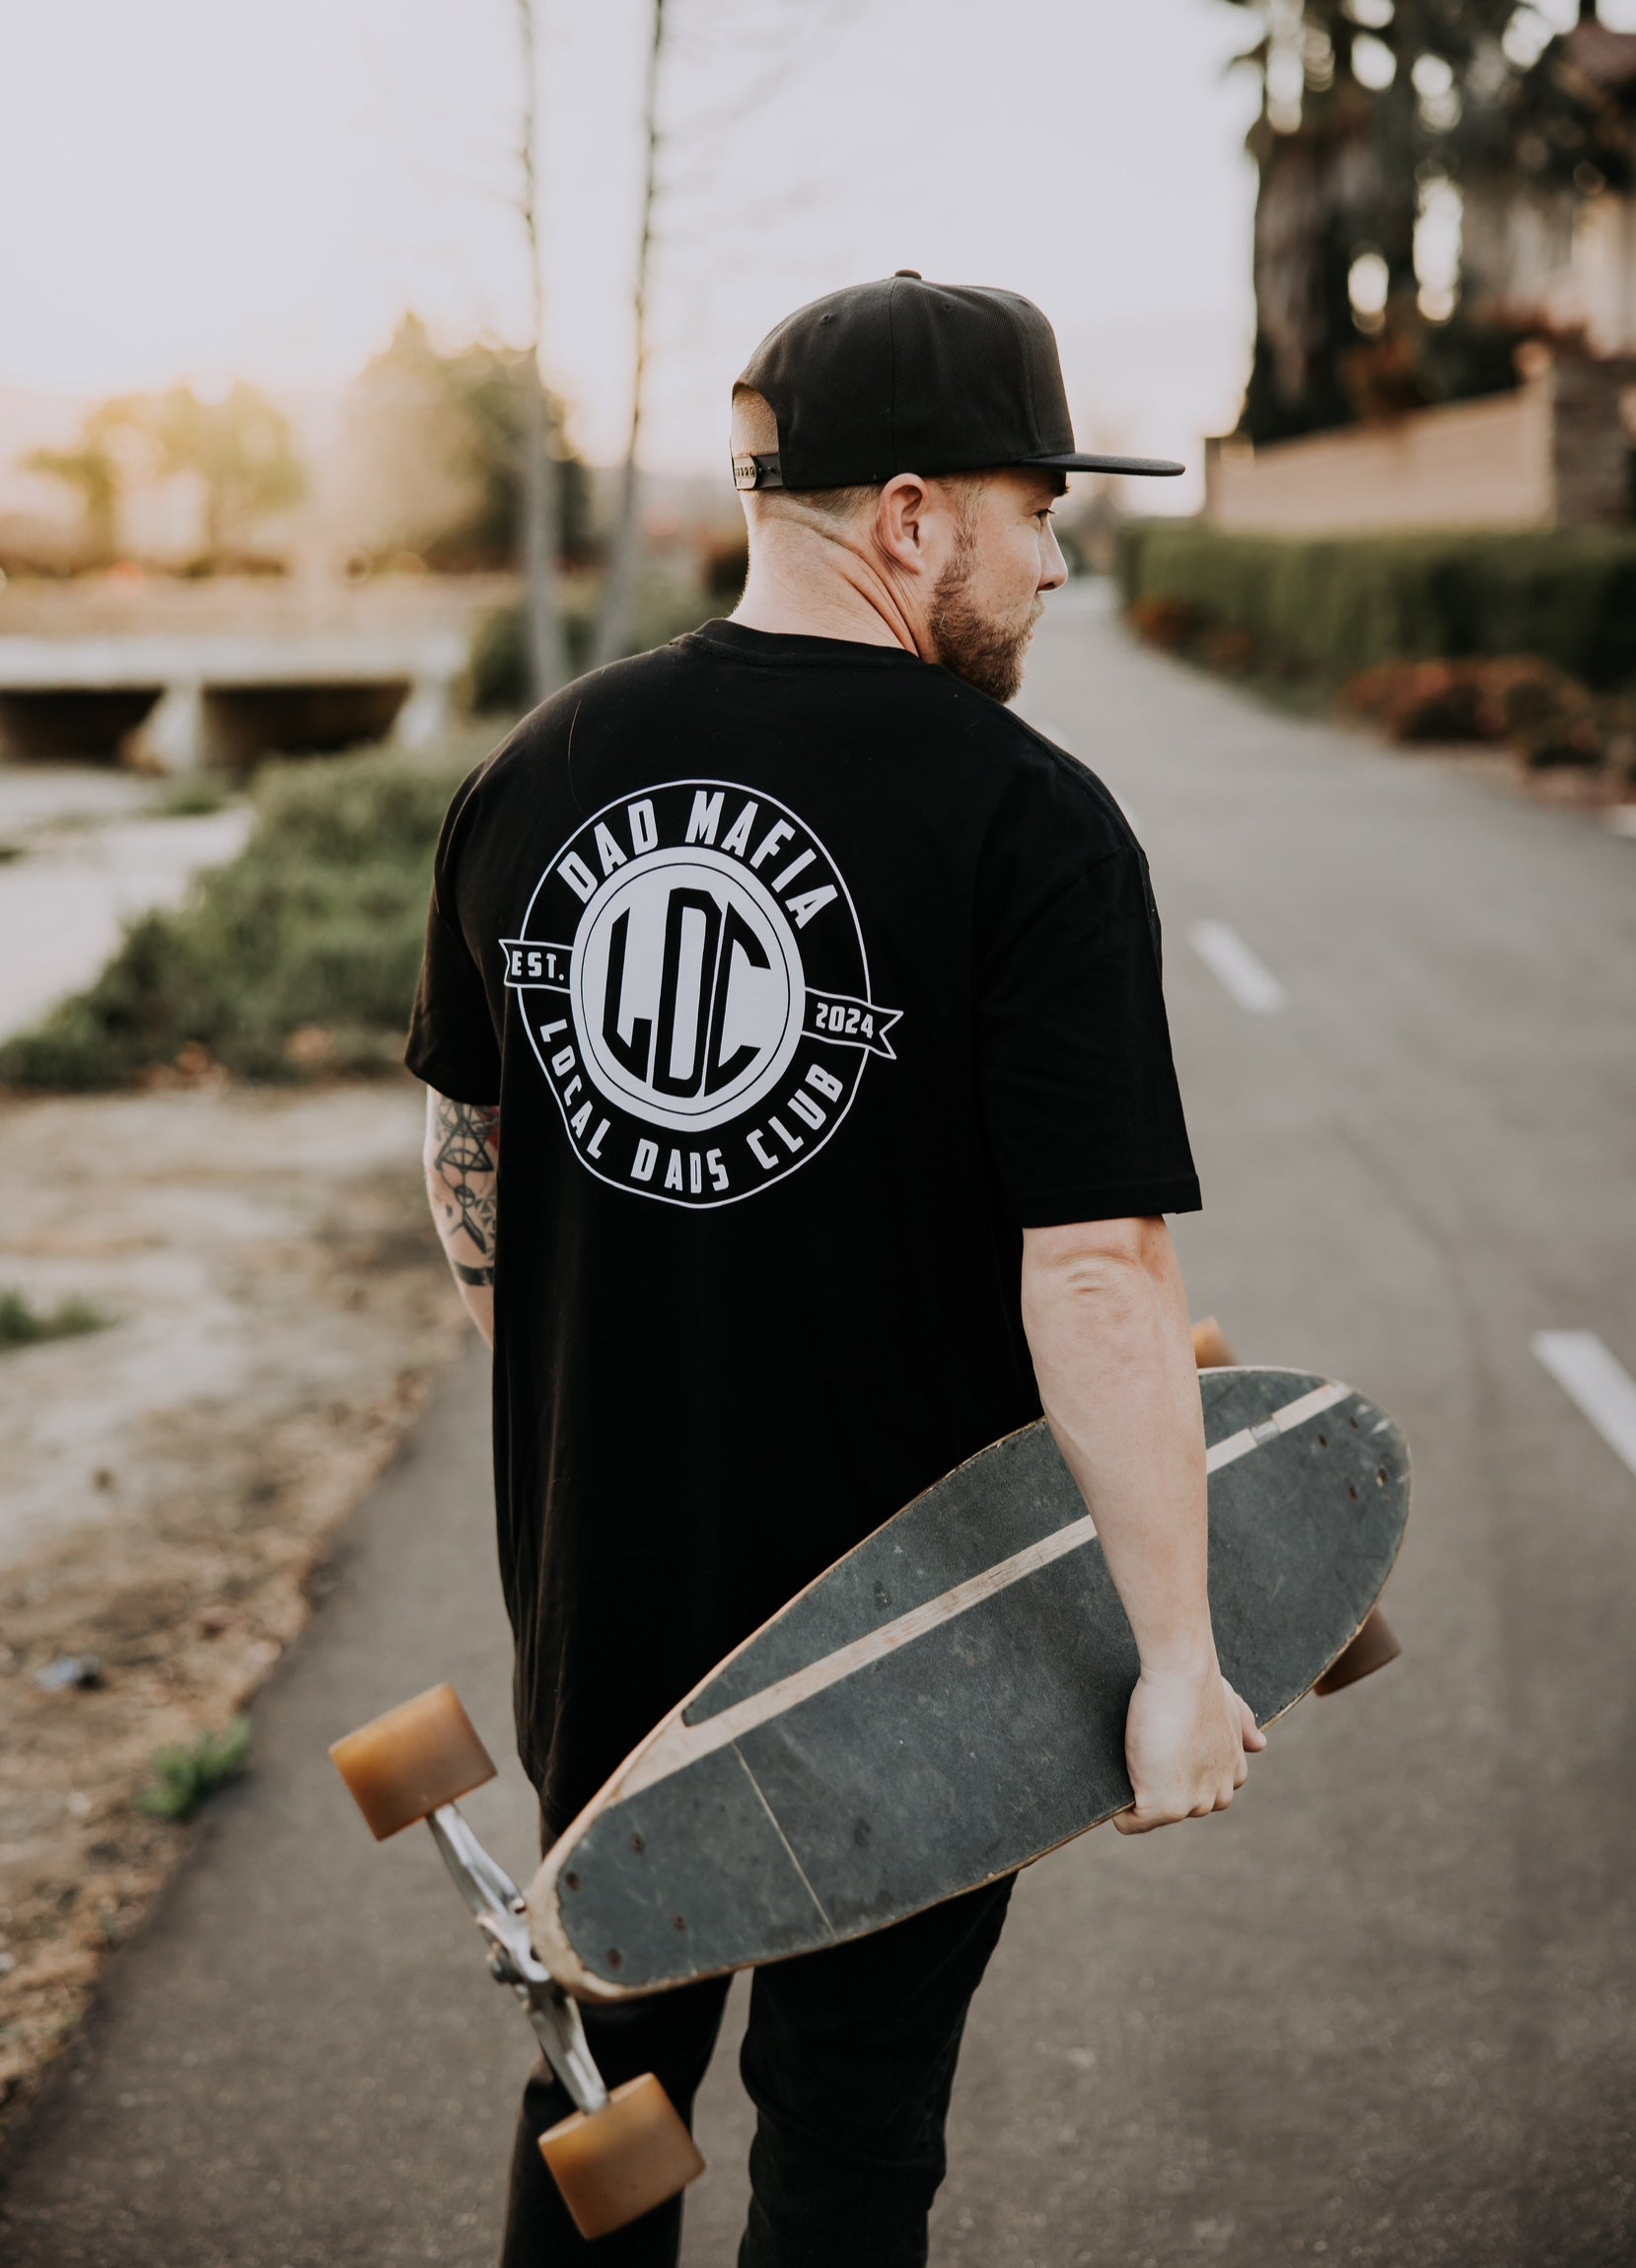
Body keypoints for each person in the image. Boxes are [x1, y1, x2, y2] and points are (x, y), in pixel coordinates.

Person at [407, 272, 1264, 2268]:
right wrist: (1174, 1650)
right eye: (1032, 510)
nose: (1052, 561)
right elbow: (1098, 1275)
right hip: (906, 1645)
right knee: (850, 2143)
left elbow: (468, 1161)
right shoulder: (1024, 825)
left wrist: (592, 1409)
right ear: (907, 515)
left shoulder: (534, 771)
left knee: (598, 2104)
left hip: (606, 1614)